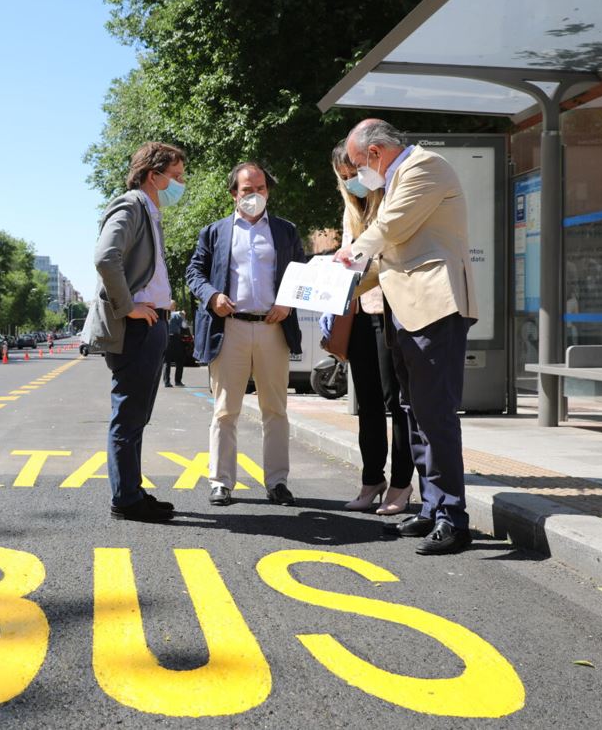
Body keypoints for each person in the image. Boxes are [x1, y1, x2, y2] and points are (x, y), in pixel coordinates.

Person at [335, 119, 478, 555]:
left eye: (358, 165)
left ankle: (453, 517)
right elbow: (392, 259)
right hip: (407, 308)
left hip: (435, 307)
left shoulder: (423, 167)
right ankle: (433, 507)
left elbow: (390, 229)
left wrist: (350, 251)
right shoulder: (397, 176)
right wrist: (336, 289)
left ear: (375, 153)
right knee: (414, 412)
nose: (360, 175)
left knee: (435, 413)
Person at [186, 161, 309, 507]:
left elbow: (301, 274)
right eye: (247, 190)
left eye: (261, 189)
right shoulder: (215, 232)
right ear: (233, 194)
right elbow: (194, 271)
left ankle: (278, 483)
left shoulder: (285, 231)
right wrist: (212, 295)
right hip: (231, 329)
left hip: (273, 328)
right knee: (225, 411)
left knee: (276, 410)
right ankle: (221, 482)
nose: (255, 195)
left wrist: (287, 303)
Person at [81, 141, 187, 523]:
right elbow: (104, 257)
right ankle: (125, 500)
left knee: (137, 415)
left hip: (151, 323)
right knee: (128, 415)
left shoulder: (149, 211)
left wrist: (159, 301)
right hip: (134, 328)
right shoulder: (130, 205)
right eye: (175, 176)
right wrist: (130, 306)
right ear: (152, 175)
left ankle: (132, 490)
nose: (180, 183)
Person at [326, 141, 415, 515]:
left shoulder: (389, 199)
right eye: (344, 179)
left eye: (355, 175)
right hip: (359, 312)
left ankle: (400, 485)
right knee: (368, 405)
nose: (352, 184)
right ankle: (371, 479)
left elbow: (385, 256)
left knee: (397, 403)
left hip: (390, 310)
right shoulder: (350, 213)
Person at [163, 308, 186, 387]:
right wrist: (183, 317)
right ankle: (178, 381)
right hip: (175, 338)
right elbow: (184, 326)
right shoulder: (178, 315)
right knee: (179, 360)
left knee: (167, 361)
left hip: (166, 337)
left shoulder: (164, 314)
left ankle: (166, 382)